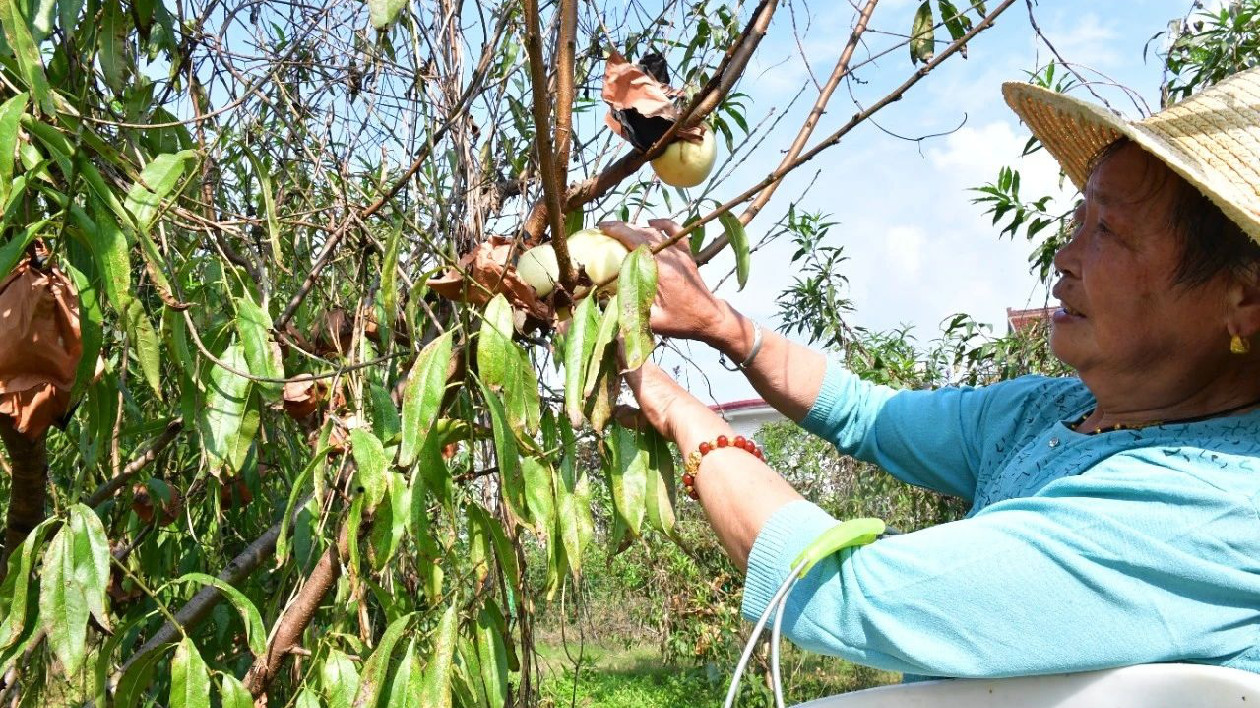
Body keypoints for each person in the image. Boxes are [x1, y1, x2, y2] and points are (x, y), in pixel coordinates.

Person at [599, 66, 1260, 679]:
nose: (1064, 255)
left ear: (1245, 300)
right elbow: (865, 413)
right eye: (1076, 219)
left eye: (1108, 233)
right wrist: (719, 322)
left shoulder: (1210, 511)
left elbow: (843, 592)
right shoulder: (1052, 414)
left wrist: (678, 410)